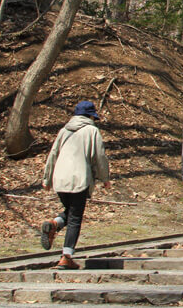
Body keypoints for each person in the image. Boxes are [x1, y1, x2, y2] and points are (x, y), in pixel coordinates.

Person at [40, 101, 110, 270]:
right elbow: (100, 156)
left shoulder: (64, 130)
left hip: (60, 178)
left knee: (71, 211)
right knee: (75, 218)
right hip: (79, 178)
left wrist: (47, 179)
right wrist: (105, 178)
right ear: (90, 116)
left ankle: (55, 223)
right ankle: (66, 257)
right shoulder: (92, 131)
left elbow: (53, 154)